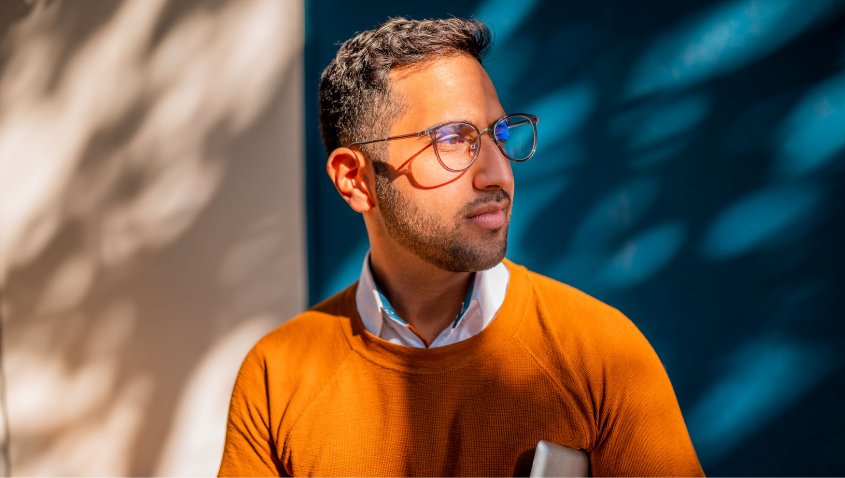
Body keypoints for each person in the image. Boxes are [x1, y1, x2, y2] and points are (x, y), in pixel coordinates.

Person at [218, 17, 703, 477]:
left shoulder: (601, 352)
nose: (498, 174)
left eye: (499, 134)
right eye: (453, 139)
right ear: (355, 180)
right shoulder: (278, 373)